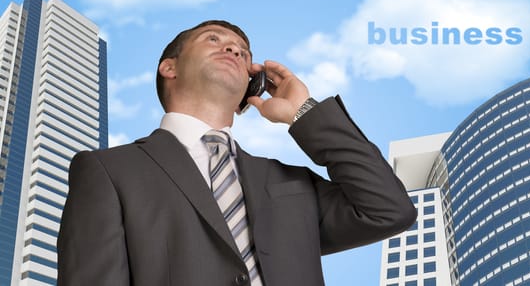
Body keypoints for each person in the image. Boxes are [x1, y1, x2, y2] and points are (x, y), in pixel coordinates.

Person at [57, 20, 417, 286]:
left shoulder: (289, 182)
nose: (232, 50)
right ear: (169, 67)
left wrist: (302, 112)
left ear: (252, 85)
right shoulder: (109, 171)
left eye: (243, 53)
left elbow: (388, 210)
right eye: (213, 40)